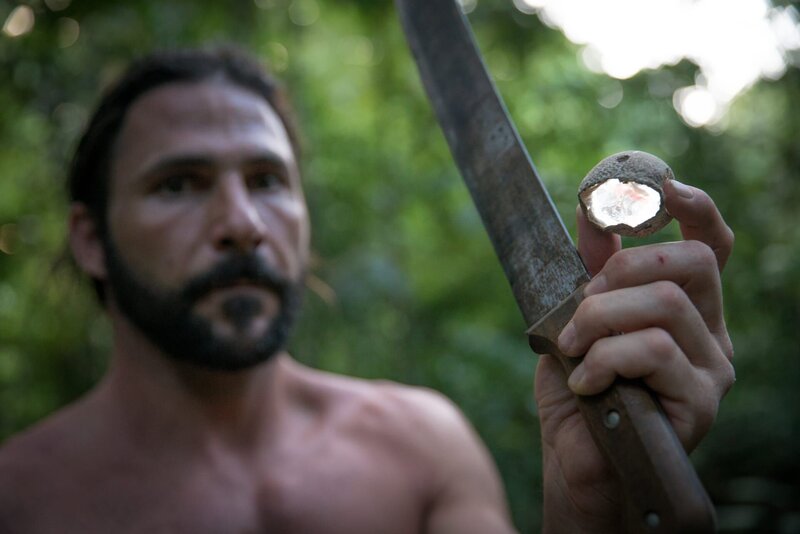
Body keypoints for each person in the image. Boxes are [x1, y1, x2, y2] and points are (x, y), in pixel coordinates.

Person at [0, 46, 734, 533]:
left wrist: (589, 511)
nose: (242, 224)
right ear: (90, 238)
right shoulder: (23, 500)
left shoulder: (422, 449)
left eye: (267, 181)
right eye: (179, 185)